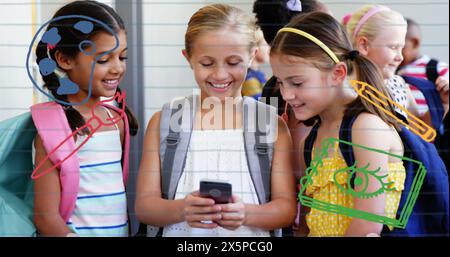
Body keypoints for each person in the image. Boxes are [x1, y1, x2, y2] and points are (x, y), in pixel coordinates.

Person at [135, 3, 296, 237]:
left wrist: (246, 214)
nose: (220, 74)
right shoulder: (164, 122)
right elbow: (145, 206)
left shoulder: (271, 124)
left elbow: (286, 209)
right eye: (207, 63)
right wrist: (182, 209)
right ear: (188, 58)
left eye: (233, 63)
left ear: (252, 57)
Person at [270, 11, 406, 236]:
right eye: (281, 83)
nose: (286, 94)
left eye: (296, 82)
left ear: (337, 73)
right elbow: (306, 224)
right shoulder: (311, 139)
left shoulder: (366, 128)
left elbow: (368, 225)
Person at [32, 0, 138, 237]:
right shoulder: (54, 130)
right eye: (103, 60)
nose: (117, 68)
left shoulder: (117, 121)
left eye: (122, 57)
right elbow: (45, 217)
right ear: (65, 60)